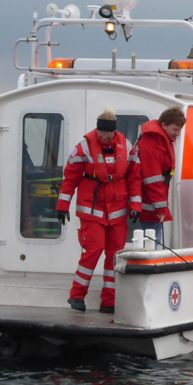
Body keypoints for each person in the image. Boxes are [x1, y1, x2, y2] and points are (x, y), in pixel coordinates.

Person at [57, 107, 142, 314]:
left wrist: (136, 205)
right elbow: (70, 178)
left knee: (114, 255)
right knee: (92, 251)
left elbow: (134, 178)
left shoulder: (128, 147)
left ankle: (109, 301)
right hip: (91, 211)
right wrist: (62, 205)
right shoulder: (84, 147)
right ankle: (76, 295)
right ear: (97, 130)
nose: (105, 137)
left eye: (108, 134)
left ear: (115, 132)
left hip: (117, 212)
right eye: (102, 133)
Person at [136, 107, 186, 248]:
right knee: (151, 243)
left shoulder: (161, 139)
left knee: (153, 240)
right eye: (175, 129)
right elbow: (152, 179)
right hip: (149, 203)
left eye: (179, 130)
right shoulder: (152, 144)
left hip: (153, 201)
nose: (178, 133)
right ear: (164, 125)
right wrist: (160, 208)